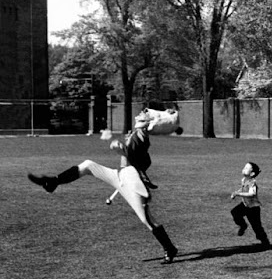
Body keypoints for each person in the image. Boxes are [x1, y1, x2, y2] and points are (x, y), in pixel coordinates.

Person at [27, 111, 178, 264]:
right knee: (88, 165)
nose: (140, 114)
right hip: (120, 174)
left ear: (148, 122)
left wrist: (121, 149)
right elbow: (141, 159)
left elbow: (135, 156)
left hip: (131, 179)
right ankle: (53, 182)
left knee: (147, 220)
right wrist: (120, 146)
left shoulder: (141, 135)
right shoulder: (137, 134)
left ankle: (170, 248)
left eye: (144, 114)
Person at [230, 162, 270, 247]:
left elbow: (252, 194)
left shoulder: (252, 182)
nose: (244, 169)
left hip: (253, 208)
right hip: (245, 205)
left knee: (256, 226)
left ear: (252, 173)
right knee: (234, 212)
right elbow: (243, 188)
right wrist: (236, 192)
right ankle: (243, 225)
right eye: (244, 167)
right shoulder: (244, 180)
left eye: (246, 168)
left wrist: (238, 194)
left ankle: (265, 242)